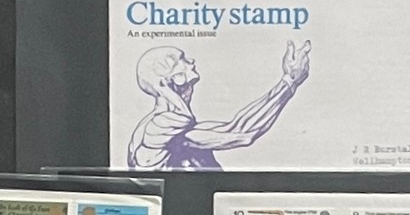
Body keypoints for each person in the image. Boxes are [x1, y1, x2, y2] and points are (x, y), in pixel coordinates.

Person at [125, 42, 310, 168]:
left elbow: (234, 127)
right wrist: (290, 81)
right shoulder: (161, 127)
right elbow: (242, 133)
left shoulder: (175, 129)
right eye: (182, 59)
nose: (191, 61)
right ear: (174, 78)